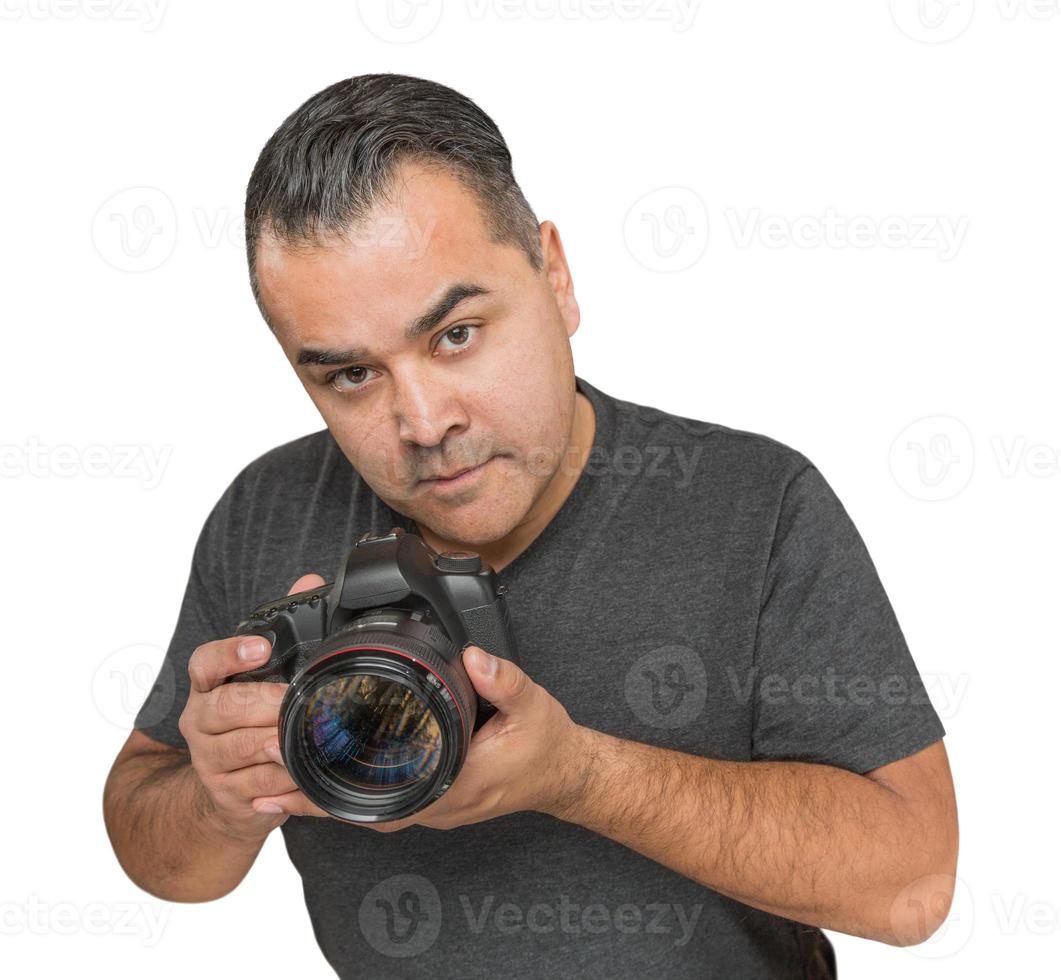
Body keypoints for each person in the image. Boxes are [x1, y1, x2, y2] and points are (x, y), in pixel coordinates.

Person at [103, 73, 958, 979]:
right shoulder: (267, 509)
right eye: (350, 376)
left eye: (456, 334)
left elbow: (913, 887)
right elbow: (157, 846)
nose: (424, 422)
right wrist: (220, 798)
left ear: (554, 277)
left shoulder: (754, 502)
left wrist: (577, 776)